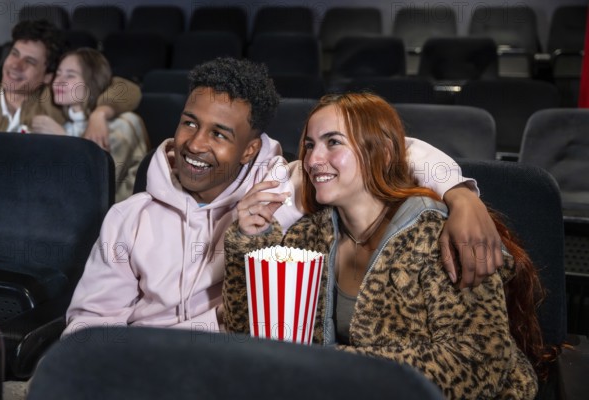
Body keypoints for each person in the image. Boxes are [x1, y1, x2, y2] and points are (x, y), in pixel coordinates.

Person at [62, 58, 501, 338]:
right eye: (188, 123)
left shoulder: (281, 190)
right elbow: (88, 323)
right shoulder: (127, 217)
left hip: (226, 366)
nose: (195, 144)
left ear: (250, 149)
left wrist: (461, 195)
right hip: (134, 366)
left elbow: (385, 147)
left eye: (219, 134)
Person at [222, 92, 548, 399]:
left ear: (383, 153)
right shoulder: (307, 238)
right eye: (309, 145)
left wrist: (332, 367)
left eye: (333, 142)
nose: (312, 159)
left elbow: (480, 363)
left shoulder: (437, 236)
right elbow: (248, 337)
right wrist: (249, 243)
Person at [0, 19, 141, 148]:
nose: (15, 65)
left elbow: (126, 88)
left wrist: (100, 114)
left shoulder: (55, 97)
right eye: (14, 54)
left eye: (30, 61)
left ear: (48, 76)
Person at [30, 47, 149, 202]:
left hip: (113, 217)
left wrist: (63, 140)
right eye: (58, 74)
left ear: (92, 82)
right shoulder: (66, 123)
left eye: (70, 75)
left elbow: (93, 187)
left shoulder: (124, 124)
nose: (58, 81)